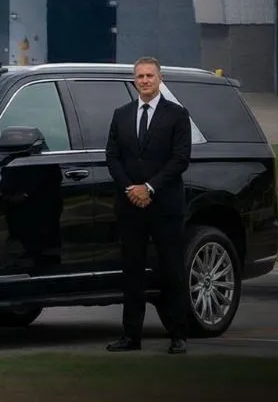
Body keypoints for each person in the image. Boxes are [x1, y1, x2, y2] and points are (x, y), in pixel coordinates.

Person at [105, 56, 191, 355]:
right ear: (134, 80)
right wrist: (131, 188)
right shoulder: (121, 114)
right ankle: (131, 336)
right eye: (140, 76)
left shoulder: (177, 115)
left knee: (171, 270)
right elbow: (112, 156)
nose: (144, 81)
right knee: (132, 272)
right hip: (130, 206)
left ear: (160, 79)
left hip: (165, 205)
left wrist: (149, 187)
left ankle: (178, 334)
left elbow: (180, 158)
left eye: (150, 76)